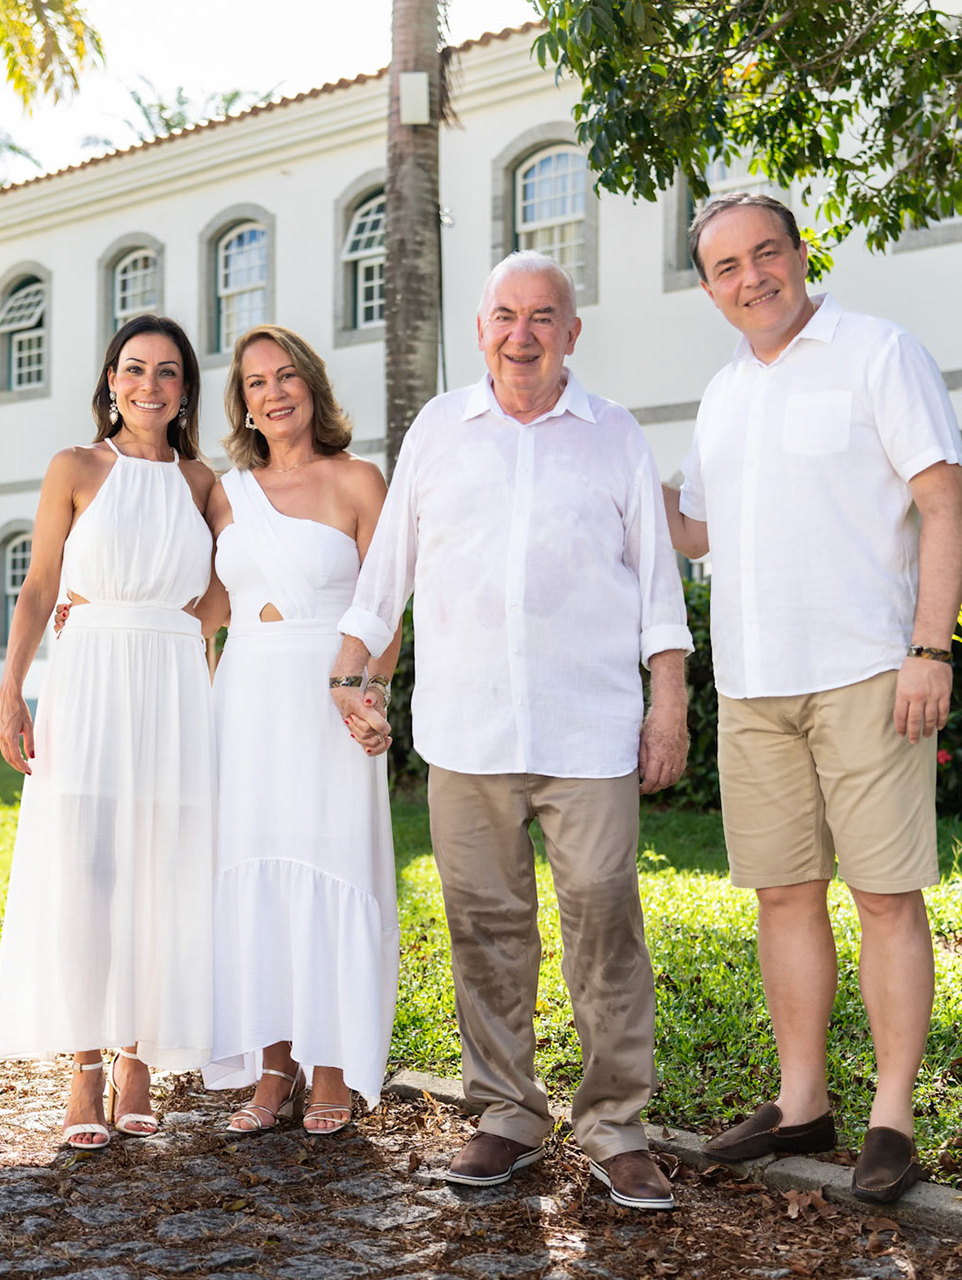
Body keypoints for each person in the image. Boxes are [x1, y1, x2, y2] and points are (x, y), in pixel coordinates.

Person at [331, 251, 693, 1211]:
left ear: (573, 332)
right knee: (485, 930)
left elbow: (660, 588)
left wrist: (670, 705)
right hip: (466, 729)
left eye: (543, 316)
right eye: (504, 316)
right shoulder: (438, 432)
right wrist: (348, 670)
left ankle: (618, 1128)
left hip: (591, 730)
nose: (522, 334)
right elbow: (387, 575)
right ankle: (506, 1115)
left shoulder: (615, 436)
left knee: (605, 922)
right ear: (479, 328)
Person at [666, 192, 962, 1204]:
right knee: (784, 894)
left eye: (766, 254)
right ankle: (802, 1102)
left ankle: (891, 1115)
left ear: (801, 254)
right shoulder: (719, 394)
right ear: (709, 290)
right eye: (726, 267)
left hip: (867, 672)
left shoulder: (878, 351)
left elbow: (943, 496)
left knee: (886, 894)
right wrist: (600, 463)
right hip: (753, 684)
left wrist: (931, 647)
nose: (751, 277)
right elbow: (696, 529)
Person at [0, 315, 222, 1153]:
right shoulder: (76, 467)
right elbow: (39, 582)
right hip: (87, 678)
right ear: (110, 380)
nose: (148, 385)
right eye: (133, 368)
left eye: (166, 371)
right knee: (89, 870)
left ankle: (138, 1059)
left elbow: (246, 569)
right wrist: (14, 689)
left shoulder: (203, 481)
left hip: (172, 681)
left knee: (162, 869)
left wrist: (198, 627)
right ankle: (84, 1062)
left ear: (185, 387)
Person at [200, 323, 400, 1137]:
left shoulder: (358, 480)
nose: (273, 393)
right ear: (241, 402)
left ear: (312, 385)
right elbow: (210, 609)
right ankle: (271, 1064)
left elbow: (387, 607)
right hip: (243, 699)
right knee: (256, 872)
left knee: (329, 865)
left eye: (286, 377)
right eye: (255, 383)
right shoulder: (224, 492)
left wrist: (369, 697)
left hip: (330, 701)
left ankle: (332, 1066)